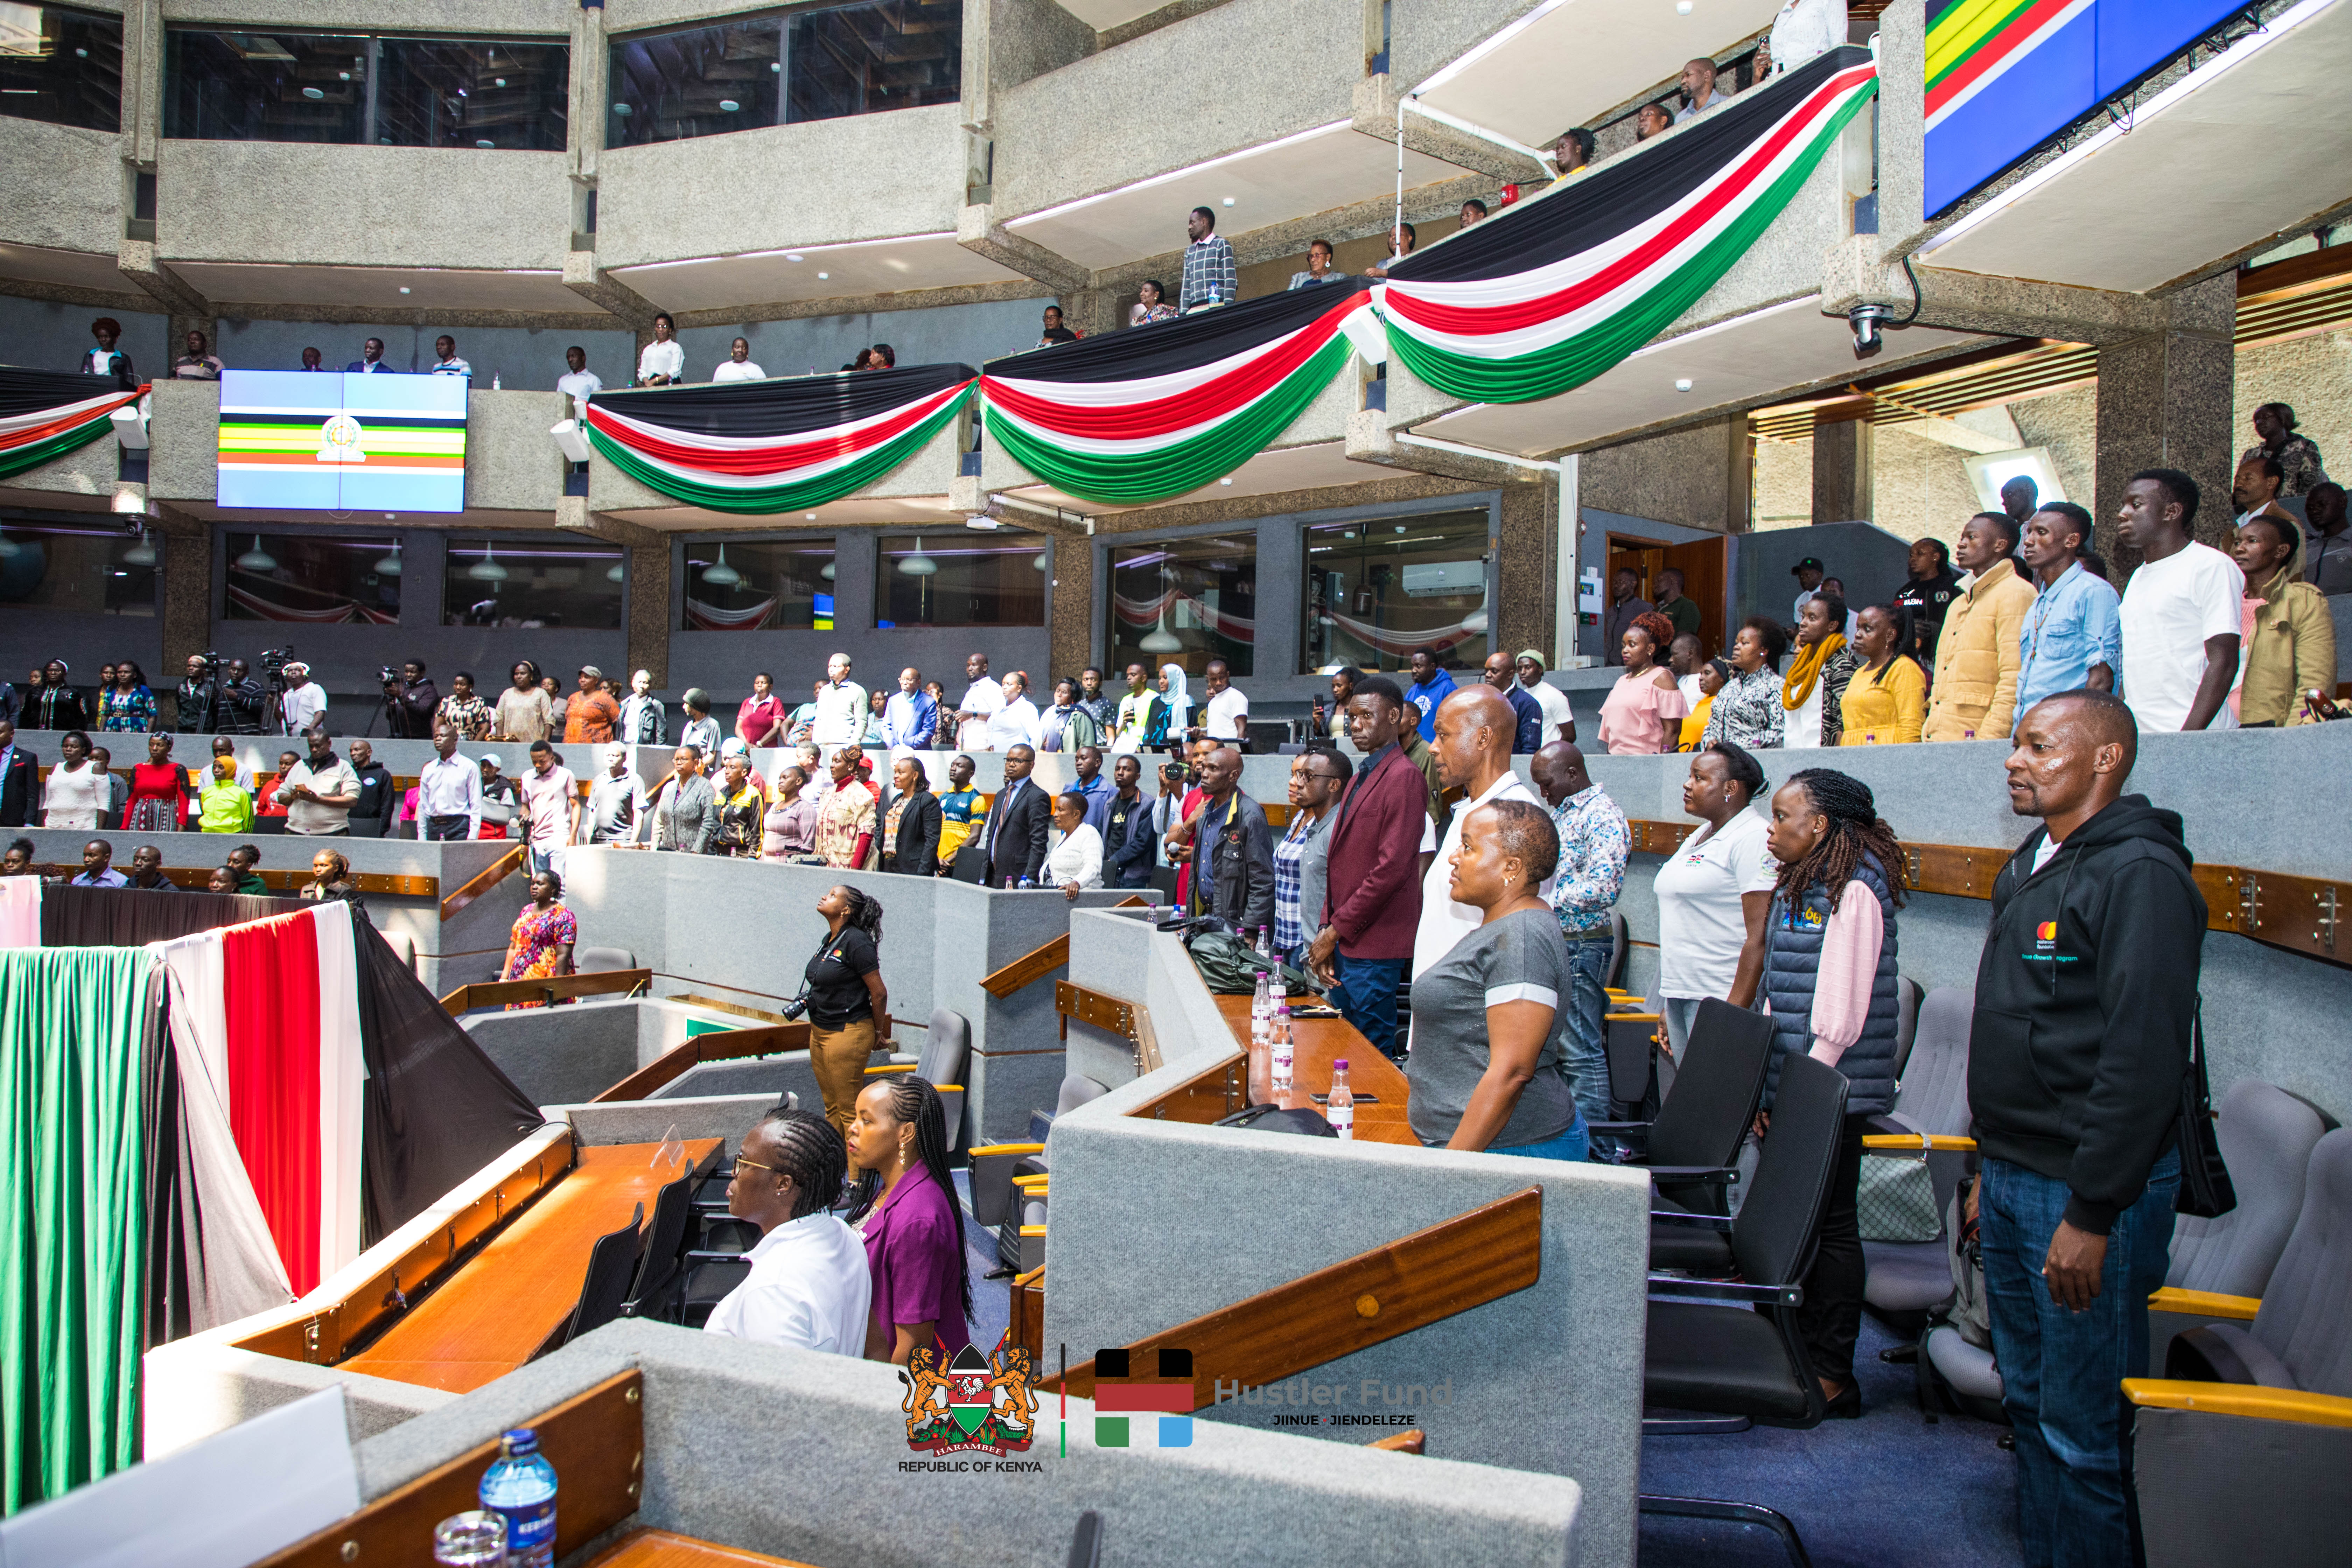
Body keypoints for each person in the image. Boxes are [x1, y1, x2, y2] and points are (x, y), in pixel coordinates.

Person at [1975, 690, 2200, 1564]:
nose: (2015, 760)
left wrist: (2094, 1213)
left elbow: (2142, 1061)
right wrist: (1988, 1174)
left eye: (2038, 746)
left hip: (2086, 1196)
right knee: (2030, 1410)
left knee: (2084, 1435)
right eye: (2016, 744)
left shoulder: (2139, 873)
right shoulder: (2035, 860)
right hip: (2015, 1176)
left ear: (2105, 760)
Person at [1753, 767, 1906, 1421]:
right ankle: (1792, 1349)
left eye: (1784, 816)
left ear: (1819, 825)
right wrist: (1766, 1082)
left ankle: (1833, 1372)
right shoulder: (1805, 880)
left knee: (1834, 1227)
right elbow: (1778, 991)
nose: (1773, 827)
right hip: (1800, 1082)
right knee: (1804, 1223)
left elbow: (1841, 1013)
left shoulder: (1857, 886)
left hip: (1830, 1088)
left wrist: (1804, 1095)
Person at [1407, 799, 1590, 1159]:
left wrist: (1449, 1168)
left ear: (1511, 867)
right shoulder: (1505, 925)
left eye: (1469, 846)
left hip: (1510, 1150)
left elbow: (1513, 1072)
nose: (1454, 858)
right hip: (1483, 1144)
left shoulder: (1522, 938)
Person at [1406, 687, 1546, 1048]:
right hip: (1442, 1022)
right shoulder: (1472, 810)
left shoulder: (1515, 817)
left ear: (1482, 738)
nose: (1433, 747)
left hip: (1471, 1035)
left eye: (1444, 734)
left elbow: (1517, 940)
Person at [1304, 676, 1423, 1052]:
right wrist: (1326, 928)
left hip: (1374, 944)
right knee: (1340, 1051)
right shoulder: (1359, 775)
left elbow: (1391, 870)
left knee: (1371, 1056)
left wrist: (1333, 931)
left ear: (1394, 716)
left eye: (1366, 716)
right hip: (1344, 941)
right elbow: (1337, 862)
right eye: (1352, 717)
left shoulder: (1405, 777)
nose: (1355, 725)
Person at [702, 1107, 870, 1354]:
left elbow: (786, 1391)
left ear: (783, 1184)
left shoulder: (774, 1292)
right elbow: (874, 1344)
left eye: (743, 1162)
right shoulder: (843, 1233)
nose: (733, 1173)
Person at [1653, 742, 1775, 1060]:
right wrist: (1671, 1002)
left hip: (1720, 999)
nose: (1687, 784)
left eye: (1699, 778)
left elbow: (1759, 937)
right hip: (1684, 995)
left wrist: (1731, 1015)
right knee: (1691, 1106)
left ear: (1731, 788)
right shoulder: (1702, 835)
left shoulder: (1753, 837)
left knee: (1717, 1106)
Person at [1530, 743, 1627, 1130]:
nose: (1543, 792)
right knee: (1561, 1051)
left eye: (1547, 782)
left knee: (1581, 1052)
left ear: (1572, 774)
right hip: (1560, 942)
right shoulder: (1563, 813)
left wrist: (1542, 898)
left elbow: (1604, 887)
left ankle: (1597, 1154)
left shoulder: (1602, 814)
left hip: (1582, 943)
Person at [846, 1075, 971, 1364]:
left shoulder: (918, 1222)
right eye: (855, 1118)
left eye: (866, 1121)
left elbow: (913, 1348)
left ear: (906, 1133)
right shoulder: (892, 1187)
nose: (852, 1129)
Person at [2115, 469, 2244, 733]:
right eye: (2124, 504)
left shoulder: (2210, 566)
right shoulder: (2138, 577)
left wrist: (2187, 740)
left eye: (2136, 504)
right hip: (2143, 737)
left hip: (2195, 737)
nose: (2123, 513)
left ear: (2171, 512)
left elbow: (2224, 660)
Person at [1923, 512, 2035, 741]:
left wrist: (1990, 739)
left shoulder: (2017, 593)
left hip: (1978, 738)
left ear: (2000, 545)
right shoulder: (1958, 601)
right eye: (1962, 537)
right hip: (1939, 736)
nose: (1961, 543)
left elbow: (2015, 677)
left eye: (1972, 537)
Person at [2014, 502, 2122, 725]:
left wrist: (2077, 733)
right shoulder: (2038, 602)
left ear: (2071, 541)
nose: (2029, 541)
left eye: (2041, 533)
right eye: (2029, 532)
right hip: (2029, 730)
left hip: (2066, 732)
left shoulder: (2093, 592)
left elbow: (2102, 678)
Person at [2231, 510, 2334, 727]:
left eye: (2252, 541)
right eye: (2238, 541)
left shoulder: (2303, 601)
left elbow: (2315, 682)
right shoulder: (2223, 600)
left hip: (2268, 731)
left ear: (2281, 551)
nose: (2239, 548)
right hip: (2211, 729)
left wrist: (2291, 740)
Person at [1174, 746, 1273, 931]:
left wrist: (1251, 929)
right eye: (1204, 768)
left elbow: (1262, 879)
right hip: (1202, 919)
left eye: (1213, 769)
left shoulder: (1250, 815)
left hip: (1235, 925)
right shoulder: (1205, 813)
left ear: (1233, 776)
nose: (1204, 774)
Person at [1599, 612, 1688, 754]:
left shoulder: (1662, 679)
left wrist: (1663, 762)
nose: (1625, 650)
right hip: (1615, 764)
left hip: (1648, 764)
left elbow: (1673, 731)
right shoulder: (1621, 681)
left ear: (1650, 649)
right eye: (1623, 646)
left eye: (1632, 645)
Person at [1840, 604, 1927, 745]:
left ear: (1890, 635)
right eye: (1858, 628)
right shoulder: (1859, 672)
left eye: (1868, 629)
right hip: (1854, 755)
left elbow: (1912, 727)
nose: (1858, 635)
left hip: (1887, 755)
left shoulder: (1904, 668)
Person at [1782, 593, 1857, 748]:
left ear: (1832, 626)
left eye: (1812, 618)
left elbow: (1845, 720)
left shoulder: (1841, 662)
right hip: (1792, 756)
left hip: (1823, 759)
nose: (1802, 623)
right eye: (1803, 617)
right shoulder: (1801, 664)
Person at [1702, 617, 1787, 750]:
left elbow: (1779, 734)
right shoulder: (1729, 687)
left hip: (1752, 764)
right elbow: (1712, 725)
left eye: (1745, 643)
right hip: (1720, 763)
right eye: (1737, 642)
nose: (1736, 647)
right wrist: (1709, 740)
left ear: (1763, 651)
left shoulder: (1776, 686)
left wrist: (1734, 747)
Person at [499, 869, 576, 1003]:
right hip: (519, 981)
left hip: (545, 983)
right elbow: (513, 946)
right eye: (533, 883)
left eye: (540, 884)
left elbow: (564, 955)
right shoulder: (526, 911)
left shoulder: (563, 915)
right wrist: (504, 978)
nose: (534, 887)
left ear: (553, 890)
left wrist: (558, 987)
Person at [978, 745, 1050, 887]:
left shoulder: (1037, 796)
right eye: (1008, 760)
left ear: (1031, 765)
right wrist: (983, 875)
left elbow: (1039, 842)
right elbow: (991, 838)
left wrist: (1029, 877)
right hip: (993, 873)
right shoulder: (1001, 795)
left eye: (1018, 761)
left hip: (1019, 875)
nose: (1011, 764)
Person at [1894, 538, 1964, 667]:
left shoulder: (1952, 587)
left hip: (1938, 656)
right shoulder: (1905, 590)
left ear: (1936, 557)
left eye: (1920, 554)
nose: (1913, 559)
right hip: (1904, 654)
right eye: (1911, 555)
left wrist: (1931, 631)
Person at [275, 728, 359, 836]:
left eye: (318, 746)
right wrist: (292, 797)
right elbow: (281, 797)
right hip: (295, 831)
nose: (314, 750)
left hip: (332, 832)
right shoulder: (299, 766)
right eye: (311, 746)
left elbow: (352, 801)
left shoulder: (343, 767)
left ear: (329, 743)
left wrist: (317, 800)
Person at [1096, 754, 1156, 891]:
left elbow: (1143, 842)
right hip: (1108, 872)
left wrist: (1115, 859)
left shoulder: (1146, 804)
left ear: (1137, 776)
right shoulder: (1110, 803)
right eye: (1117, 769)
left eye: (1127, 769)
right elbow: (1101, 835)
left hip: (1133, 877)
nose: (1120, 773)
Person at [2242, 400, 2327, 497]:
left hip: (2292, 508)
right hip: (2257, 511)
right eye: (2256, 420)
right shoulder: (2252, 454)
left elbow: (2312, 485)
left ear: (2282, 419)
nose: (2259, 422)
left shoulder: (2303, 447)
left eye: (2265, 417)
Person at [518, 740, 580, 871]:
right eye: (534, 761)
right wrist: (523, 819)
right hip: (537, 838)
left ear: (552, 758)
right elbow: (525, 806)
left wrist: (573, 835)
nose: (538, 765)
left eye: (542, 761)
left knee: (559, 882)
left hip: (560, 836)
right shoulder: (527, 776)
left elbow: (576, 805)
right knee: (540, 882)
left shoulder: (565, 775)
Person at [813, 746, 877, 869]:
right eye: (832, 761)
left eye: (837, 762)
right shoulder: (827, 793)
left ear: (851, 766)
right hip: (826, 865)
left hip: (849, 866)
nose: (832, 765)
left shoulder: (862, 794)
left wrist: (854, 870)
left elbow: (866, 835)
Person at [877, 754, 941, 877]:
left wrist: (922, 872)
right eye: (895, 772)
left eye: (901, 773)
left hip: (912, 868)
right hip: (887, 863)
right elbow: (881, 826)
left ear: (915, 775)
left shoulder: (927, 801)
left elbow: (932, 840)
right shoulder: (897, 799)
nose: (896, 776)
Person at [416, 725, 482, 841]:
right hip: (434, 826)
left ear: (455, 740)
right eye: (436, 736)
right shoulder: (429, 769)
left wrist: (473, 836)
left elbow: (476, 804)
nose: (438, 739)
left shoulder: (469, 767)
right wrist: (422, 835)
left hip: (459, 825)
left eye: (443, 736)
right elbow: (423, 805)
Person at [646, 746, 717, 853]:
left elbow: (708, 823)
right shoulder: (669, 788)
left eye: (684, 759)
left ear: (696, 762)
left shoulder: (704, 787)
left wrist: (696, 851)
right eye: (676, 759)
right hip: (667, 853)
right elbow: (658, 821)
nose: (679, 762)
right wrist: (654, 849)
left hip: (692, 854)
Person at [581, 742, 645, 845]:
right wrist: (589, 838)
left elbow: (639, 814)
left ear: (624, 758)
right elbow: (592, 812)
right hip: (598, 839)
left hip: (622, 839)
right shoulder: (599, 779)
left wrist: (632, 844)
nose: (610, 759)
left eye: (615, 756)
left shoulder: (634, 780)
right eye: (608, 755)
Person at [125, 732, 190, 833]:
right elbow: (132, 800)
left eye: (160, 745)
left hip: (166, 815)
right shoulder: (138, 768)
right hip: (140, 815)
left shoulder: (178, 769)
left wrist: (181, 828)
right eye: (151, 745)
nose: (155, 748)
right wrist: (125, 827)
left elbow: (184, 802)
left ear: (169, 748)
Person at [1045, 791, 1103, 899]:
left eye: (1061, 810)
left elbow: (1093, 866)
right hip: (1062, 898)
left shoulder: (1089, 833)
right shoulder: (1065, 837)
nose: (1056, 814)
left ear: (1076, 814)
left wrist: (1077, 883)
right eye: (1055, 809)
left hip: (1083, 899)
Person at [1180, 206, 1238, 312]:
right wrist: (1183, 315)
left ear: (1204, 222)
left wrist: (1227, 308)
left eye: (1193, 223)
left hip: (1217, 307)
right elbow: (1186, 287)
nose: (1190, 227)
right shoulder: (1190, 251)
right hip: (1194, 311)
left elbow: (1231, 279)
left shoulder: (1221, 244)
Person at [1512, 651, 1576, 745]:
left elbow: (1570, 736)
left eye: (1528, 667)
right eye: (1520, 669)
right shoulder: (1521, 697)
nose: (1523, 672)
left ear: (1540, 669)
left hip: (1548, 757)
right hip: (1526, 756)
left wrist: (1552, 754)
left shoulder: (1554, 696)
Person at [931, 754, 982, 871]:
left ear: (971, 773)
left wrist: (949, 861)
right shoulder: (942, 797)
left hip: (961, 863)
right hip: (939, 862)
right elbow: (933, 832)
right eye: (952, 765)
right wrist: (937, 860)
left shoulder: (976, 798)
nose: (953, 769)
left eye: (959, 766)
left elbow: (975, 837)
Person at [2301, 481, 2352, 593]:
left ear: (2342, 502)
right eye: (2310, 508)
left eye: (2322, 505)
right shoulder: (2305, 543)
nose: (2315, 511)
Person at [2230, 450, 2296, 536]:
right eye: (2237, 480)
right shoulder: (2234, 529)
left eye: (2248, 478)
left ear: (2271, 483)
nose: (2238, 485)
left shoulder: (2286, 526)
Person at [761, 765, 819, 861]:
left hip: (788, 864)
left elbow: (808, 846)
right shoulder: (775, 806)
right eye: (780, 778)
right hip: (767, 861)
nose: (781, 781)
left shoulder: (805, 809)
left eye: (785, 778)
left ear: (798, 781)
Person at [1108, 662, 1167, 755]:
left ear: (1144, 678)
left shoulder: (1154, 698)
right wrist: (1124, 723)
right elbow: (1118, 733)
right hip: (1127, 749)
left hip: (1144, 749)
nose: (1129, 678)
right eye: (1127, 675)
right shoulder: (1126, 700)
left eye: (1133, 675)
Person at [810, 653, 866, 749]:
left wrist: (853, 745)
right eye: (830, 666)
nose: (831, 669)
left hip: (845, 746)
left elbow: (861, 721)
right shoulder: (824, 690)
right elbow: (819, 719)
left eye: (836, 667)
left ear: (846, 669)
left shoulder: (858, 691)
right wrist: (815, 744)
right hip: (823, 746)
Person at [951, 654, 1004, 752]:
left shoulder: (992, 688)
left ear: (984, 667)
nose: (970, 669)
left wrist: (973, 714)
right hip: (966, 746)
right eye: (968, 666)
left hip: (983, 747)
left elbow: (1000, 717)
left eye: (974, 665)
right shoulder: (972, 689)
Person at [1192, 659, 1248, 748]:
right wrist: (1199, 735)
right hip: (1215, 752)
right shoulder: (1212, 702)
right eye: (1214, 679)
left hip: (1229, 752)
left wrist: (1237, 753)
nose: (1218, 683)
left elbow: (1242, 730)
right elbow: (1216, 733)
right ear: (1208, 679)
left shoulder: (1236, 696)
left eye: (1221, 678)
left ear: (1228, 675)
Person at [1402, 649, 1457, 741]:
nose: (1414, 671)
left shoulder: (1448, 689)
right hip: (1414, 749)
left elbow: (1455, 724)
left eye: (1419, 666)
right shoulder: (1413, 691)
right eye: (1413, 667)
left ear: (1432, 666)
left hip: (1437, 749)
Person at [1602, 568, 1652, 667]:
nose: (1616, 586)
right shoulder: (1611, 612)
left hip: (1631, 667)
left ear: (1633, 584)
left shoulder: (1642, 608)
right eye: (1615, 582)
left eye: (1621, 582)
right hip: (1610, 667)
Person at [346, 738, 395, 837]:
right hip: (347, 826)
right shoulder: (348, 773)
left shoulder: (382, 775)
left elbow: (387, 805)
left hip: (373, 826)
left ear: (369, 752)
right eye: (351, 751)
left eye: (357, 750)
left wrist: (381, 830)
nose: (353, 753)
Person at [301, 848, 368, 918]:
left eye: (324, 866)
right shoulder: (307, 889)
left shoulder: (343, 890)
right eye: (315, 866)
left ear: (336, 868)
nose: (318, 870)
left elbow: (340, 918)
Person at [1036, 678, 1099, 753]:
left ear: (1073, 697)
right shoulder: (1050, 712)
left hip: (1068, 762)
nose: (1059, 695)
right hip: (1045, 760)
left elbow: (1087, 747)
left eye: (1064, 692)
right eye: (1058, 691)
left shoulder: (1080, 716)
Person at [879, 667, 934, 751]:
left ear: (918, 682)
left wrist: (905, 746)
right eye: (902, 679)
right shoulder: (893, 700)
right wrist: (894, 746)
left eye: (909, 680)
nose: (904, 683)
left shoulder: (928, 702)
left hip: (918, 753)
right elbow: (886, 727)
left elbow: (928, 731)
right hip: (895, 751)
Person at [495, 661, 552, 742]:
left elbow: (549, 721)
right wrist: (501, 740)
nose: (519, 677)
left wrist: (545, 743)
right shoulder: (507, 693)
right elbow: (499, 719)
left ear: (531, 676)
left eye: (523, 673)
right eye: (516, 674)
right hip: (509, 744)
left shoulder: (541, 694)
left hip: (534, 745)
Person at [985, 671, 1040, 753]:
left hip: (1016, 759)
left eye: (1009, 684)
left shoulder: (1027, 708)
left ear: (1019, 688)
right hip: (993, 758)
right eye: (1003, 684)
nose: (1005, 687)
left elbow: (1036, 739)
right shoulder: (998, 708)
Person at [563, 666, 619, 746]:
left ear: (596, 680)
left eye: (587, 677)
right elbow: (567, 720)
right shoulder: (573, 698)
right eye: (581, 677)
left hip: (596, 749)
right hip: (570, 746)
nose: (582, 680)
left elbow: (617, 722)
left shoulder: (605, 699)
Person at [1679, 656, 1726, 750]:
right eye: (1701, 674)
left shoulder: (1724, 703)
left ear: (1722, 677)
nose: (1701, 678)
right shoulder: (1702, 702)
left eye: (1707, 674)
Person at [29, 662, 88, 732]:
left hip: (63, 734)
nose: (53, 673)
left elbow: (81, 718)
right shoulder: (35, 692)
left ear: (64, 674)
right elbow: (25, 714)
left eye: (57, 671)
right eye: (50, 670)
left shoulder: (73, 693)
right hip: (35, 733)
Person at [100, 661, 155, 733]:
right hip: (112, 729)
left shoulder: (143, 690)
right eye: (120, 672)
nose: (122, 675)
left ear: (134, 675)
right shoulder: (111, 689)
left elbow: (153, 715)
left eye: (126, 672)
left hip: (136, 729)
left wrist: (147, 736)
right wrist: (100, 734)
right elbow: (105, 714)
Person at [82, 317, 137, 388]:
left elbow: (129, 381)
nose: (103, 340)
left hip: (113, 392)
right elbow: (82, 376)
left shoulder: (123, 358)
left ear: (114, 338)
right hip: (93, 390)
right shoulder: (90, 355)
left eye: (106, 337)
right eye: (100, 337)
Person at [438, 671, 493, 741]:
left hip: (472, 742)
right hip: (449, 742)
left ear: (470, 687)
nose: (458, 687)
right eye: (456, 684)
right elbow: (438, 726)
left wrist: (473, 745)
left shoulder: (479, 703)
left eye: (462, 685)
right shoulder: (446, 702)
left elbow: (485, 728)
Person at [1650, 567, 1702, 642]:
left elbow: (1684, 641)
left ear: (1672, 581)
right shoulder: (1657, 609)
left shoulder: (1687, 606)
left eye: (1659, 581)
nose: (1655, 586)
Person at [615, 670, 664, 748]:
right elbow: (619, 729)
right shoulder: (626, 704)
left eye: (645, 683)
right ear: (633, 683)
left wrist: (658, 751)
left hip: (645, 748)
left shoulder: (655, 705)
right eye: (639, 682)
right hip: (625, 746)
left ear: (650, 685)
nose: (641, 686)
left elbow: (661, 732)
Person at [0, 720, 34, 830]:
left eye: (0, 732)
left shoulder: (27, 758)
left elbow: (32, 794)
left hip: (12, 818)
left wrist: (30, 822)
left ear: (12, 733)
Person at [1675, 56, 1732, 120]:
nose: (1683, 81)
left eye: (1688, 75)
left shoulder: (1729, 105)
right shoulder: (1681, 118)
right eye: (1682, 78)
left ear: (1707, 76)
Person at [175, 653, 219, 735]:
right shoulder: (181, 687)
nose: (191, 668)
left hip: (203, 729)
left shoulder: (209, 687)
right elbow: (180, 708)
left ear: (203, 670)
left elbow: (215, 711)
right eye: (189, 666)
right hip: (183, 729)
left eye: (195, 667)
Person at [280, 660, 327, 737]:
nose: (293, 673)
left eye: (297, 670)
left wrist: (311, 728)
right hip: (288, 739)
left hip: (311, 737)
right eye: (290, 671)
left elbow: (321, 712)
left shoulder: (314, 689)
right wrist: (274, 704)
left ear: (304, 674)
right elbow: (282, 718)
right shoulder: (286, 695)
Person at [637, 312, 684, 385]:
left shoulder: (675, 347)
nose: (661, 329)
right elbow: (643, 370)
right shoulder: (648, 349)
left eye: (664, 327)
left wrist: (655, 381)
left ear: (670, 330)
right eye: (658, 326)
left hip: (669, 385)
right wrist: (647, 382)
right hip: (650, 386)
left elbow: (675, 370)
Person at [677, 688, 721, 758]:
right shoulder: (689, 726)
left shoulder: (712, 725)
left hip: (702, 768)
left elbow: (711, 756)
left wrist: (696, 767)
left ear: (696, 707)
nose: (684, 707)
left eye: (687, 704)